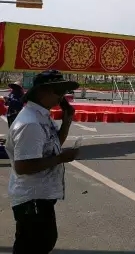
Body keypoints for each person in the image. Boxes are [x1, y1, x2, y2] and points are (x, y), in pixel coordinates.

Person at [5, 70, 80, 254]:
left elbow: (53, 145)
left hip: (40, 197)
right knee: (33, 246)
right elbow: (23, 166)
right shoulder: (30, 123)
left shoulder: (41, 116)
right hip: (32, 200)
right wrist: (61, 158)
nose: (62, 96)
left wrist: (67, 121)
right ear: (41, 92)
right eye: (58, 91)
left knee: (44, 242)